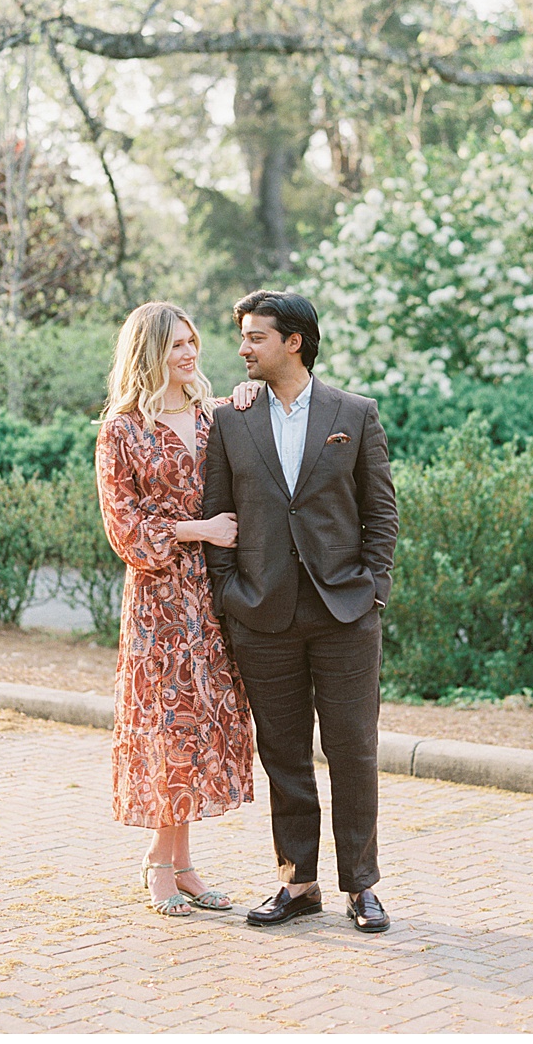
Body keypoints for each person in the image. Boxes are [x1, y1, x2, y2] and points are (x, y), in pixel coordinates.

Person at [202, 290, 399, 934]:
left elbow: (381, 512)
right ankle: (299, 883)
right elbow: (219, 512)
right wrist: (231, 594)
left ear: (295, 341)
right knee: (283, 753)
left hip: (345, 613)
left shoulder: (355, 413)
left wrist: (372, 589)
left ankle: (361, 887)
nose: (243, 347)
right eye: (244, 336)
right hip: (262, 614)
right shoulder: (231, 419)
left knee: (353, 751)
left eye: (256, 336)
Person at [96, 301, 260, 916]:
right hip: (159, 600)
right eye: (175, 347)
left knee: (200, 724)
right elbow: (126, 529)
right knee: (166, 726)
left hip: (215, 595)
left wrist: (250, 395)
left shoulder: (211, 416)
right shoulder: (120, 431)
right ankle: (158, 864)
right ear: (148, 355)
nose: (189, 355)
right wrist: (201, 530)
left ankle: (184, 863)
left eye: (192, 342)